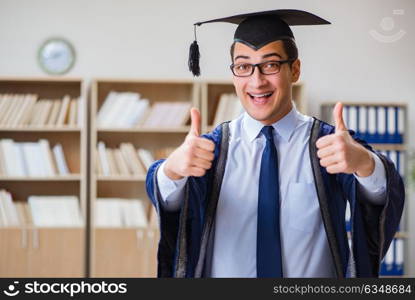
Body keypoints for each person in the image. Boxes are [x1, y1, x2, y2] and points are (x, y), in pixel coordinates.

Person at [146, 9, 404, 278]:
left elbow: (380, 197)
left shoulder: (329, 146)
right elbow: (172, 207)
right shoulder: (212, 152)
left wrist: (364, 163)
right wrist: (172, 171)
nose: (257, 82)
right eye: (243, 66)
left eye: (270, 65)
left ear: (294, 69)